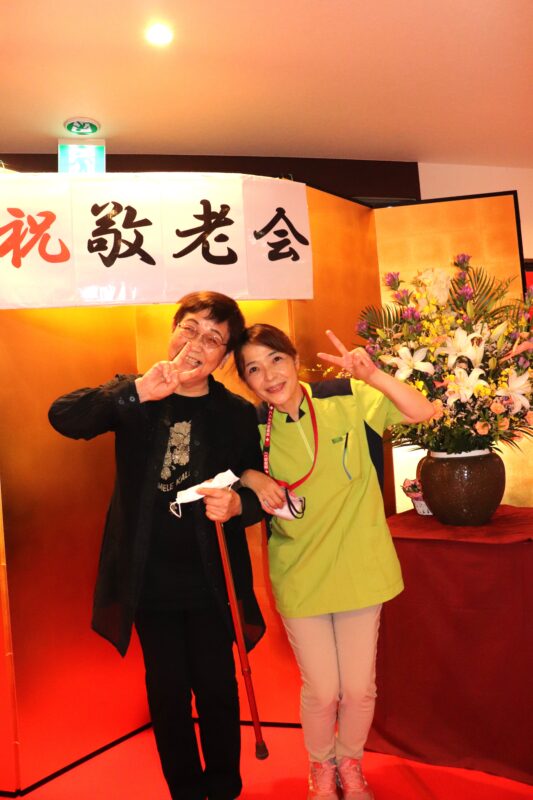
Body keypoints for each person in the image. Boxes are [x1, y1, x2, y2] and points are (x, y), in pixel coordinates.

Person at [48, 292, 266, 800]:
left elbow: (257, 486)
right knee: (167, 695)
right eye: (189, 329)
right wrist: (139, 392)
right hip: (149, 578)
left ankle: (224, 787)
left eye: (213, 339)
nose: (197, 344)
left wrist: (239, 505)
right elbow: (64, 416)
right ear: (172, 332)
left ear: (224, 356)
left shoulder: (234, 412)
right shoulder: (136, 393)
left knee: (217, 688)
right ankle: (184, 791)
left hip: (212, 579)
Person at [234, 324, 433, 800]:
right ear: (245, 381)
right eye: (254, 369)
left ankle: (350, 763)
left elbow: (424, 411)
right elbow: (225, 473)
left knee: (359, 688)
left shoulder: (344, 396)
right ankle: (320, 767)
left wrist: (374, 376)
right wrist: (250, 476)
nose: (269, 376)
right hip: (300, 572)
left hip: (360, 565)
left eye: (275, 360)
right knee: (323, 689)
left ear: (294, 358)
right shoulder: (251, 428)